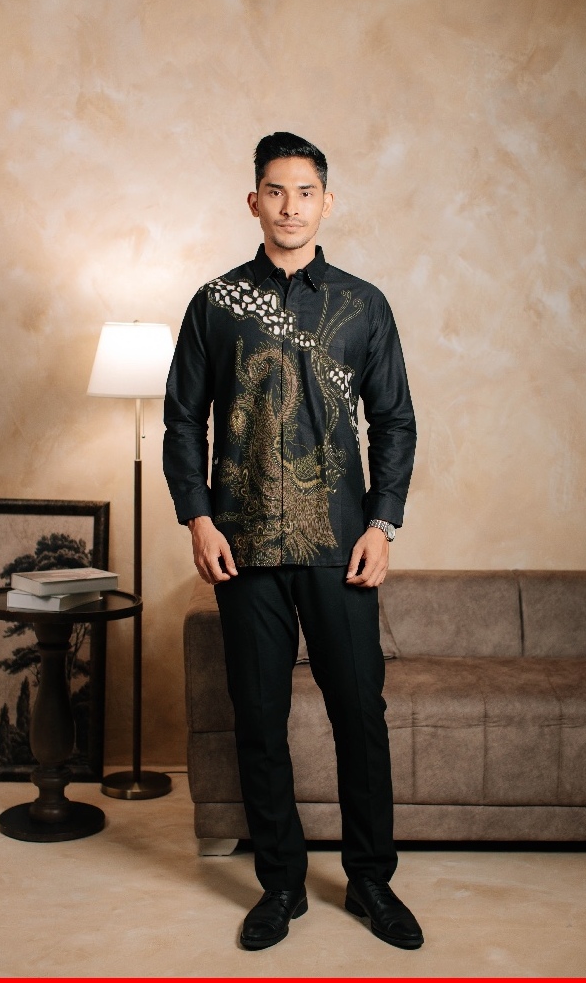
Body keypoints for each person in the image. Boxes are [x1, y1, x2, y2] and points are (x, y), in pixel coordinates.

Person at [163, 132, 421, 951]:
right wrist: (199, 518)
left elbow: (395, 422)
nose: (289, 206)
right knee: (258, 719)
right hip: (243, 547)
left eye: (305, 192)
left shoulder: (364, 305)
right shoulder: (215, 303)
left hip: (340, 546)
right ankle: (280, 885)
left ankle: (371, 880)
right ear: (254, 201)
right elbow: (183, 420)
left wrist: (382, 524)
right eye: (275, 191)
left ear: (326, 202)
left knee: (361, 716)